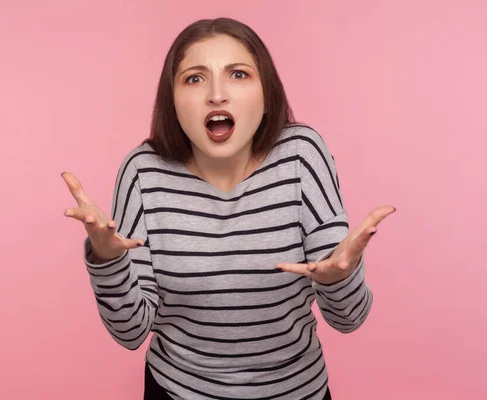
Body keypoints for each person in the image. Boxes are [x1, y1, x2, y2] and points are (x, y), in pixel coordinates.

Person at [62, 17, 395, 400]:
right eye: (195, 78)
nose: (217, 95)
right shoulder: (143, 171)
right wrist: (107, 261)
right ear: (172, 99)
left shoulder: (301, 154)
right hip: (177, 391)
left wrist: (338, 278)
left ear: (266, 94)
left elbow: (348, 318)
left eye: (238, 74)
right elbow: (131, 332)